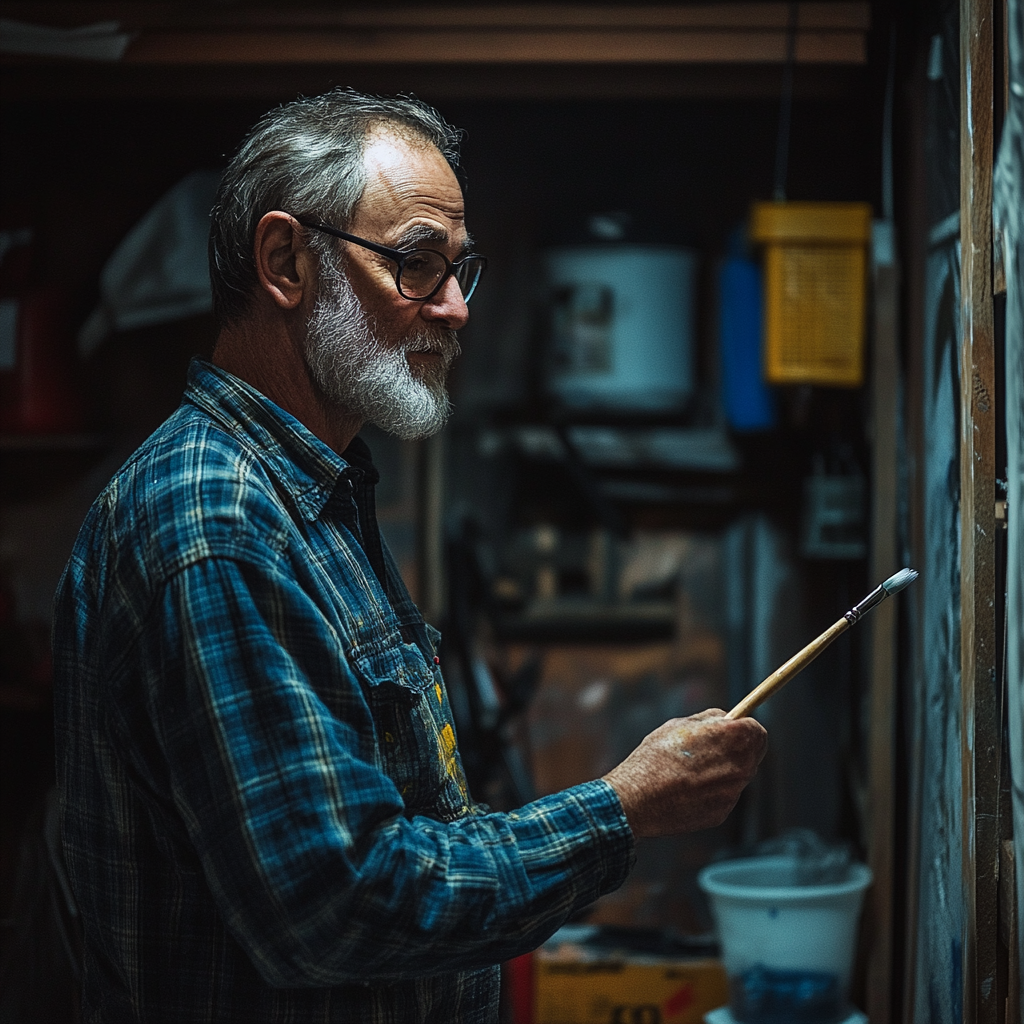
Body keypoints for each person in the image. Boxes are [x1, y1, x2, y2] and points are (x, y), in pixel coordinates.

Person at [52, 89, 767, 1024]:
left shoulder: (315, 491)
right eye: (419, 264)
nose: (458, 307)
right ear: (285, 261)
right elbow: (336, 903)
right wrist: (623, 809)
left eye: (460, 268)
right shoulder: (216, 519)